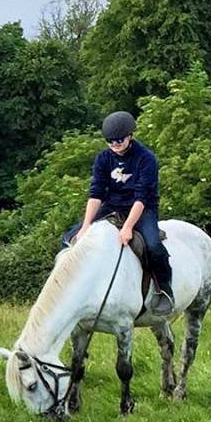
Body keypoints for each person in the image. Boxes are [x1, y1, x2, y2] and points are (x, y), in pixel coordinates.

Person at [64, 111, 174, 314]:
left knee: (153, 246)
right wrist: (86, 226)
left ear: (130, 136)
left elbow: (142, 196)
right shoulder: (103, 159)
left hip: (142, 208)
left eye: (119, 140)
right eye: (110, 141)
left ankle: (164, 289)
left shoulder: (146, 159)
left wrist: (128, 227)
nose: (115, 144)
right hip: (112, 205)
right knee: (70, 237)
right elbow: (96, 193)